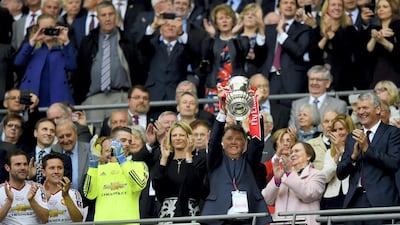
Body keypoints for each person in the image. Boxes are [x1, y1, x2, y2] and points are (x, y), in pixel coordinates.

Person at [201, 88, 272, 225]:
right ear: (223, 142)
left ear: (244, 142)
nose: (234, 142)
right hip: (218, 217)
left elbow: (257, 143)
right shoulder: (215, 160)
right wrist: (222, 112)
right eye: (229, 138)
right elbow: (213, 142)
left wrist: (255, 110)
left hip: (248, 216)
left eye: (238, 139)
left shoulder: (249, 160)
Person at [74, 1, 144, 122]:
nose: (108, 18)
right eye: (103, 15)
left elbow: (138, 68)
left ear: (115, 16)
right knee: (94, 137)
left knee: (121, 134)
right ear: (98, 18)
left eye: (111, 14)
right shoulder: (88, 41)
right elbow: (80, 71)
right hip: (93, 99)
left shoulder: (127, 39)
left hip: (120, 96)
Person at [337, 92, 400, 225]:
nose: (361, 112)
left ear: (378, 109)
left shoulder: (392, 133)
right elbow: (340, 173)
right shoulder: (351, 137)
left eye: (365, 108)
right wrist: (353, 157)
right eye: (358, 108)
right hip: (354, 201)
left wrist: (367, 149)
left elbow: (394, 163)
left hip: (381, 202)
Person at [14, 13, 76, 107]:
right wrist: (33, 41)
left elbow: (72, 65)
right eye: (44, 29)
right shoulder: (33, 49)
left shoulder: (62, 49)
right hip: (33, 95)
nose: (48, 31)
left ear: (56, 28)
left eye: (51, 27)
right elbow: (18, 62)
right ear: (38, 29)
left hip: (57, 96)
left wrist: (66, 41)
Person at [83, 136, 149, 223]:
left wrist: (122, 160)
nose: (111, 153)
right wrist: (93, 166)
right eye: (107, 150)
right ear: (101, 153)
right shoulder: (97, 169)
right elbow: (89, 194)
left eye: (113, 150)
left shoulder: (138, 165)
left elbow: (139, 185)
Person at [153, 121, 207, 218]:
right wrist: (164, 158)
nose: (177, 138)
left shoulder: (199, 160)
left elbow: (195, 187)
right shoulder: (165, 161)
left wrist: (188, 157)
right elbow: (158, 189)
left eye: (181, 135)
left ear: (189, 138)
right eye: (174, 135)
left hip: (191, 214)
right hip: (167, 214)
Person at [262, 142, 325, 225]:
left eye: (297, 151)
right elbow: (266, 199)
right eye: (291, 152)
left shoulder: (317, 174)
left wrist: (289, 173)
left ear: (309, 156)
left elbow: (307, 194)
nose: (292, 154)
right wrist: (277, 179)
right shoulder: (283, 175)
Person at [261, 0, 312, 101]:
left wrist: (281, 33)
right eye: (285, 2)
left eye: (292, 3)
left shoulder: (304, 29)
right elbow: (261, 53)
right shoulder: (268, 29)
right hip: (269, 78)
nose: (289, 5)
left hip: (292, 79)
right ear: (278, 7)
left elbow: (298, 51)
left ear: (297, 8)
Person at [289, 65, 347, 130]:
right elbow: (292, 130)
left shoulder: (339, 105)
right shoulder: (297, 104)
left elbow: (342, 129)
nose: (314, 83)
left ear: (328, 83)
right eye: (311, 79)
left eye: (318, 80)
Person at [0, 149, 48, 224]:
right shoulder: (1, 190)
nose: (23, 168)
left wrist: (32, 201)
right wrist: (9, 201)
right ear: (7, 168)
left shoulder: (37, 187)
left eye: (25, 164)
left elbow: (45, 218)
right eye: (18, 164)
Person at [321, 114, 354, 211]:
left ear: (349, 130)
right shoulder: (329, 152)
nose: (338, 133)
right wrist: (335, 160)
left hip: (350, 195)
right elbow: (325, 178)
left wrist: (342, 150)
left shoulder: (356, 149)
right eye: (334, 130)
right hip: (331, 197)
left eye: (341, 129)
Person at [42, 152, 84, 223]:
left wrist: (66, 196)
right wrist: (45, 199)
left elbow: (79, 220)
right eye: (52, 168)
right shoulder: (35, 193)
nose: (56, 171)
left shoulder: (74, 193)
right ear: (43, 172)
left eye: (60, 168)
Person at [366, 0, 400, 87]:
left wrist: (383, 41)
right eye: (379, 7)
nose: (381, 9)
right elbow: (368, 51)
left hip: (395, 72)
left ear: (393, 9)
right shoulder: (374, 28)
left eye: (385, 7)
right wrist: (374, 38)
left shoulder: (398, 26)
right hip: (376, 73)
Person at [52, 119, 89, 192]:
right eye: (61, 137)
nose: (65, 140)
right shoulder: (53, 151)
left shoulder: (89, 150)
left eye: (68, 135)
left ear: (76, 133)